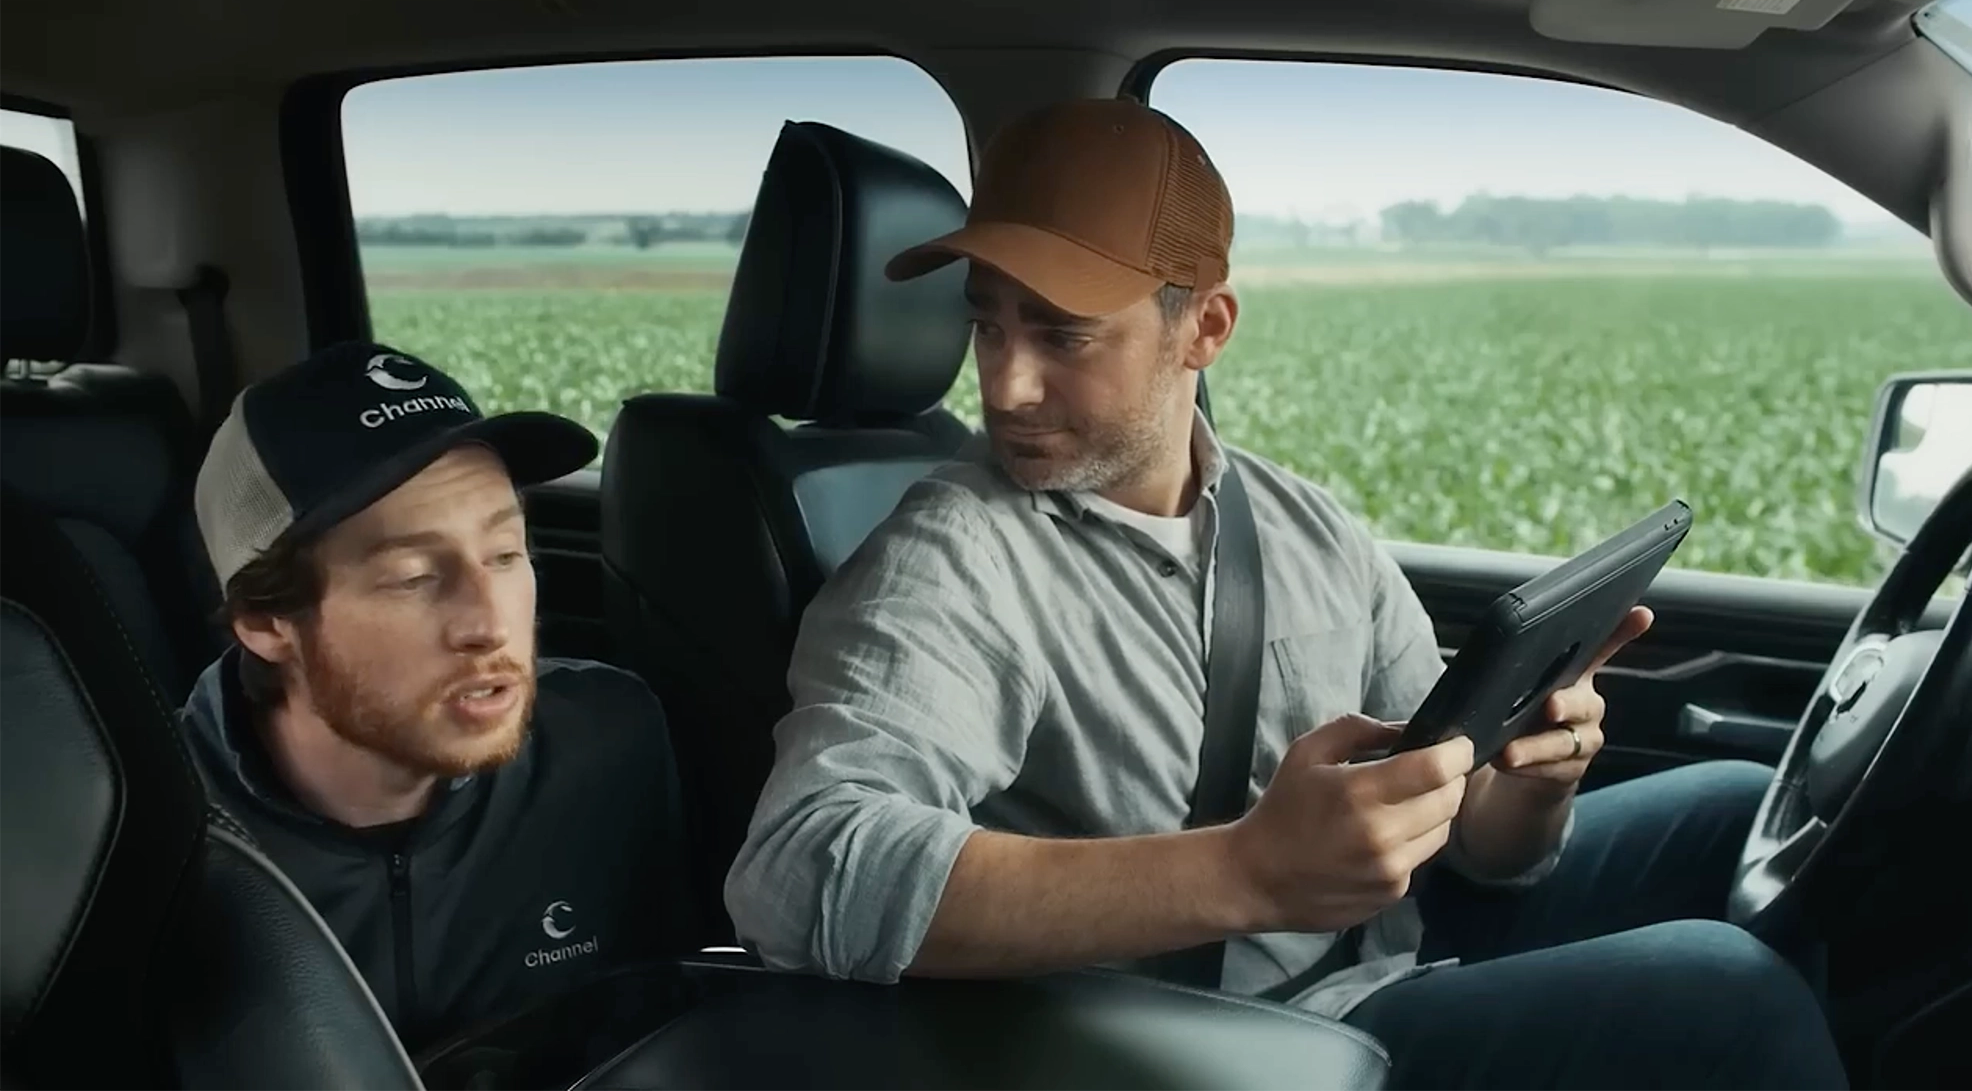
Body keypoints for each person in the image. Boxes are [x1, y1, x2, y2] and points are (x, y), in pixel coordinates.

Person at [723, 98, 1845, 1089]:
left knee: (1730, 807)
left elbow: (1480, 848)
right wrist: (1242, 871)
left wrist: (1533, 781)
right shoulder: (953, 555)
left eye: (1060, 335)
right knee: (1724, 994)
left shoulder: (1305, 527)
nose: (1007, 384)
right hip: (1215, 1040)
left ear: (1203, 327)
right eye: (987, 324)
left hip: (1373, 952)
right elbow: (799, 867)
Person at [179, 341, 691, 1058]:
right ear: (266, 623)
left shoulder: (608, 741)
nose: (490, 625)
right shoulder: (144, 829)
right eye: (415, 576)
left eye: (506, 554)